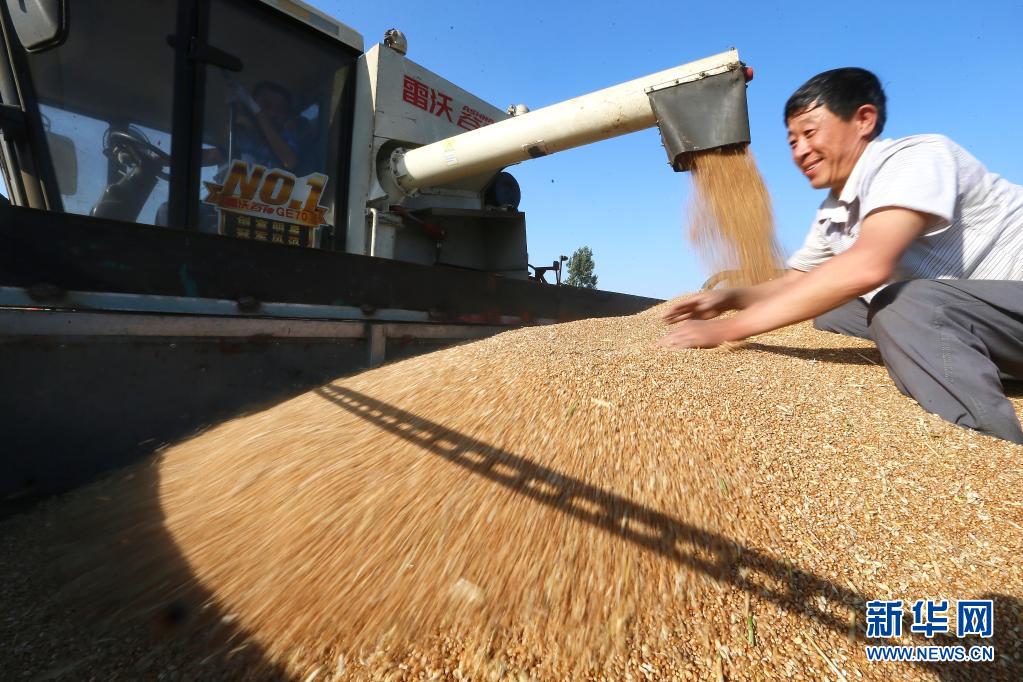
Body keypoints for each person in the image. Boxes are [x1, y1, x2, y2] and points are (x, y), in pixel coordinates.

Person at [657, 68, 1023, 444]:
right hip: (989, 325)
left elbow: (867, 266)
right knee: (834, 310)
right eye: (793, 141)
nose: (800, 151)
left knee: (902, 304)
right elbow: (796, 283)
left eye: (810, 133)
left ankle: (989, 447)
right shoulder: (834, 213)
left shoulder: (915, 157)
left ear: (864, 119)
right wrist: (728, 299)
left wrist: (727, 330)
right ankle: (964, 364)